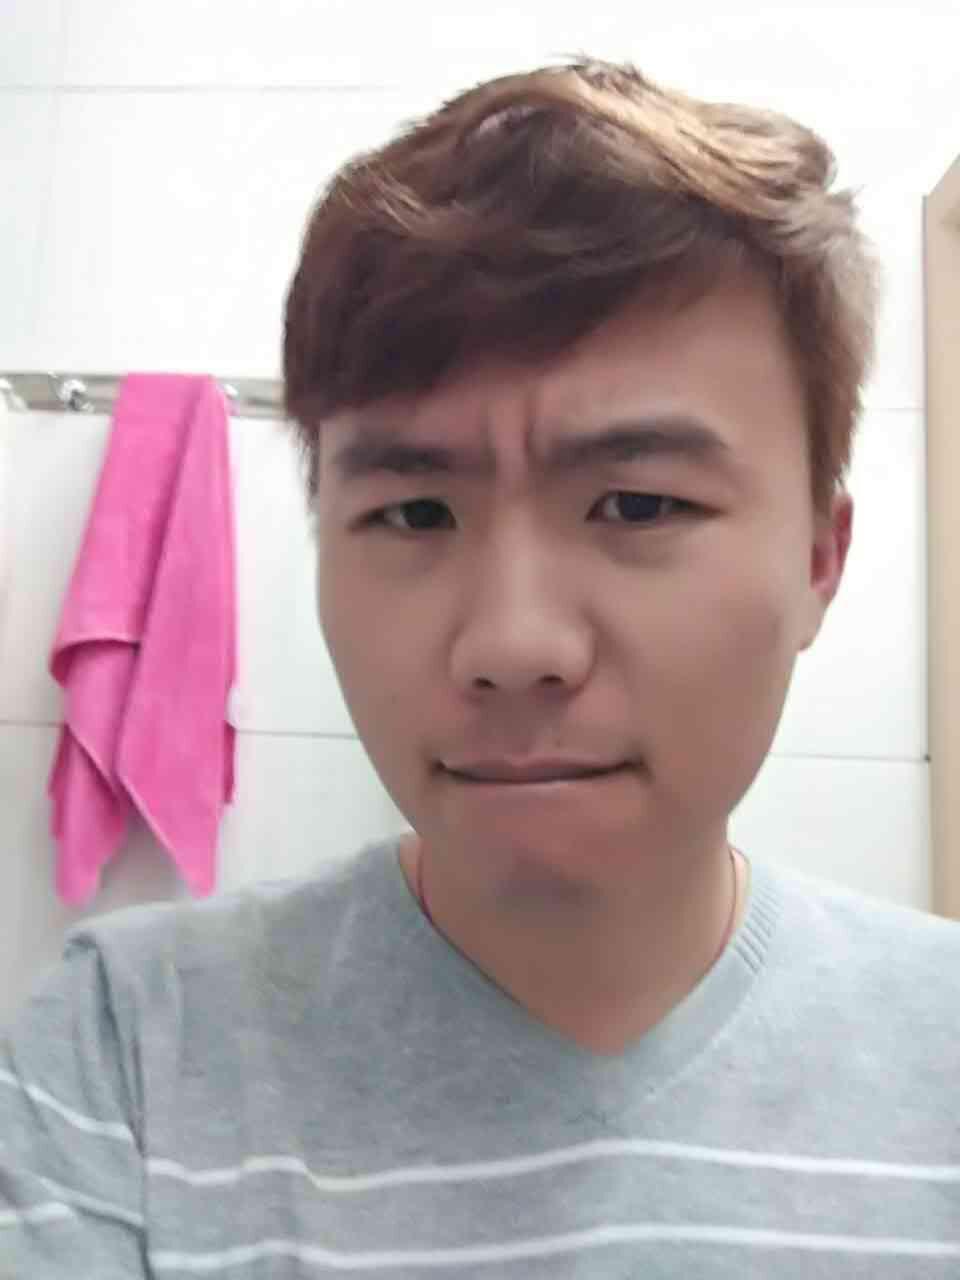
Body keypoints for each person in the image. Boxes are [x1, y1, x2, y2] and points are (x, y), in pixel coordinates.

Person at [3, 57, 958, 1279]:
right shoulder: (123, 1055)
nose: (512, 644)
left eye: (638, 502)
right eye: (414, 514)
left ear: (820, 557)